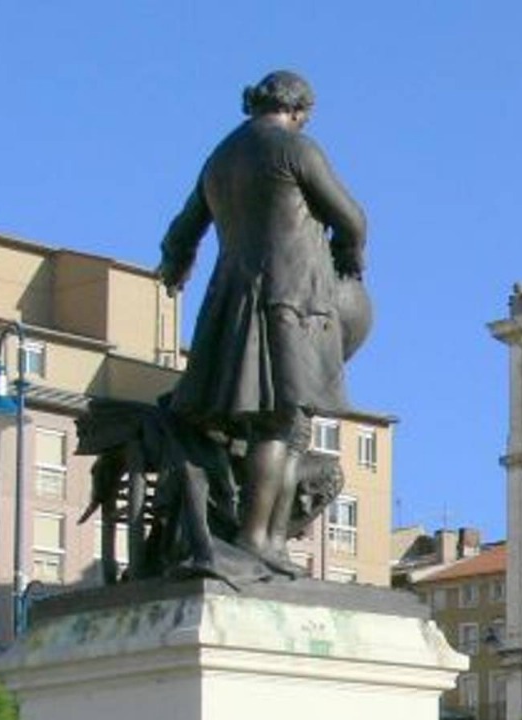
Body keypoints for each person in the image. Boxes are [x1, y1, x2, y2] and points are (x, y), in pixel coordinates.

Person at [157, 70, 371, 577]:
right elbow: (353, 219)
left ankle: (263, 538)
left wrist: (176, 262)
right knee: (281, 421)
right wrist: (349, 256)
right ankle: (259, 538)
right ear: (298, 110)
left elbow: (183, 229)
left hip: (231, 307)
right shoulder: (293, 148)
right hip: (289, 303)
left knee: (266, 422)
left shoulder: (221, 157)